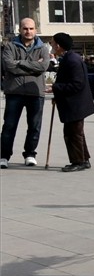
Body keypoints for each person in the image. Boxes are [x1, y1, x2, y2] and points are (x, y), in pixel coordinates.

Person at [1, 18, 51, 168]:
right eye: (25, 29)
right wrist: (32, 66)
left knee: (34, 125)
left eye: (31, 28)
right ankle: (3, 155)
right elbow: (9, 65)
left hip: (35, 92)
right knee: (9, 125)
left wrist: (20, 62)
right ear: (20, 30)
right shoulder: (10, 46)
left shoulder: (42, 48)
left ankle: (30, 154)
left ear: (35, 30)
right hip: (14, 92)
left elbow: (43, 66)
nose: (28, 31)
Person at [49, 33, 94, 172]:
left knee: (73, 133)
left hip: (76, 104)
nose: (51, 45)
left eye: (52, 43)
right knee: (76, 132)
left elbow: (76, 84)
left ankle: (78, 161)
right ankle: (83, 159)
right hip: (74, 104)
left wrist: (55, 87)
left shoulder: (72, 60)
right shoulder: (69, 58)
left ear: (58, 45)